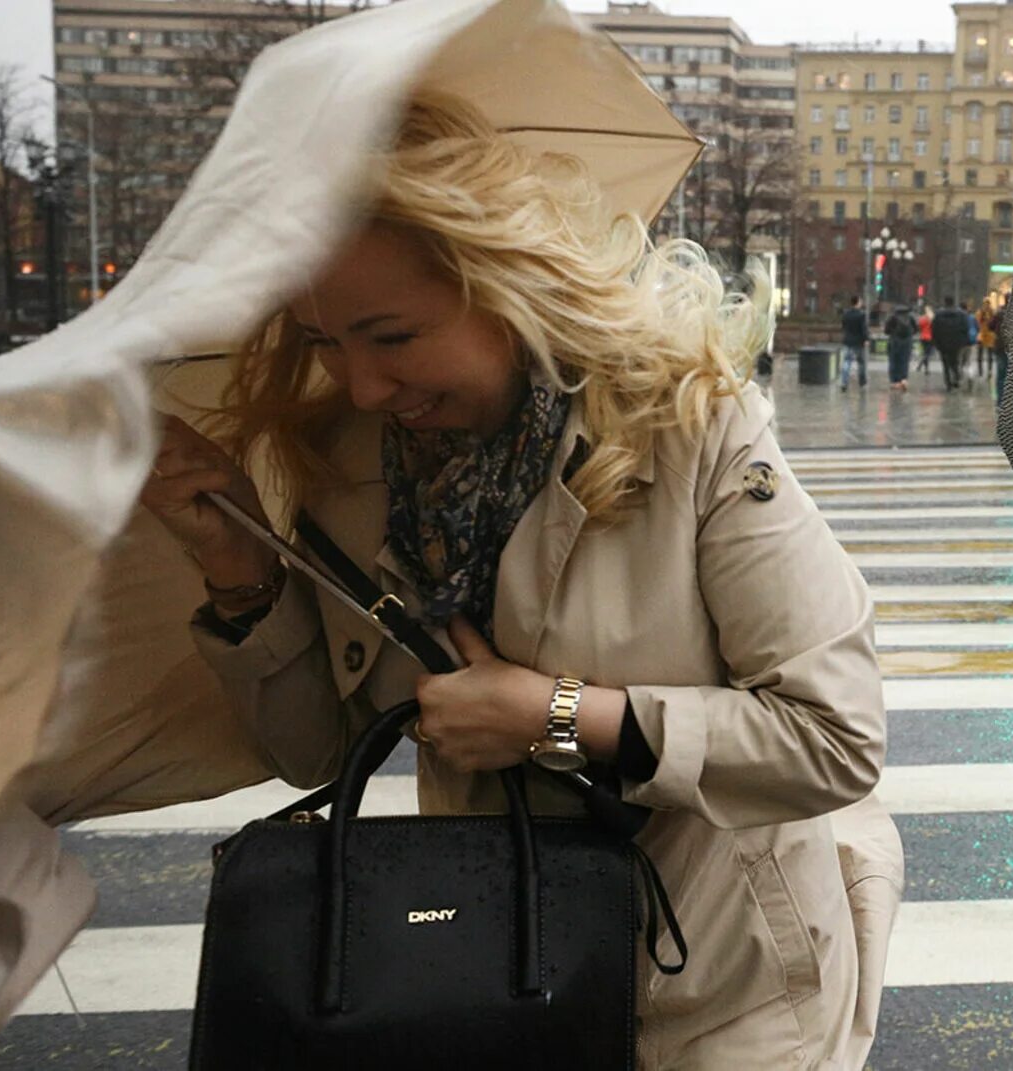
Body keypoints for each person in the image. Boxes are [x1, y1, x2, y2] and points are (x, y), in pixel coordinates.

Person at [139, 94, 900, 1069]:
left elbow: (833, 740)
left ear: (502, 286)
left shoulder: (694, 424)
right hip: (499, 982)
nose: (363, 385)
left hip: (723, 996)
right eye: (325, 341)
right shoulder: (344, 461)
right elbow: (318, 751)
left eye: (392, 336)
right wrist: (239, 572)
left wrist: (559, 713)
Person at [931, 296, 975, 391]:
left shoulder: (938, 315)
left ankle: (948, 383)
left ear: (945, 302)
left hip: (943, 343)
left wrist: (936, 342)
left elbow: (934, 330)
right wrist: (963, 341)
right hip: (957, 343)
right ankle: (956, 378)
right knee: (955, 362)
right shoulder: (961, 315)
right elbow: (965, 329)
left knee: (945, 364)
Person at [840, 294, 870, 390]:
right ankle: (862, 382)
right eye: (860, 301)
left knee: (846, 361)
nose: (861, 303)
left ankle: (844, 382)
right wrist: (866, 339)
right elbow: (863, 328)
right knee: (861, 362)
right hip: (859, 341)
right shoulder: (861, 315)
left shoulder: (846, 314)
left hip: (848, 340)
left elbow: (843, 326)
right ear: (857, 302)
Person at [885, 303, 917, 391]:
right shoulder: (910, 317)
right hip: (907, 342)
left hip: (894, 341)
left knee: (893, 361)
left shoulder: (892, 317)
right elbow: (916, 329)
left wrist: (893, 332)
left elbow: (886, 330)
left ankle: (894, 382)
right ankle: (903, 379)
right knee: (904, 361)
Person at [918, 304, 936, 374]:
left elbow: (919, 327)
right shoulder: (933, 319)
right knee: (927, 354)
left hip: (923, 337)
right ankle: (926, 369)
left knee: (925, 353)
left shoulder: (922, 318)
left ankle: (920, 366)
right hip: (930, 338)